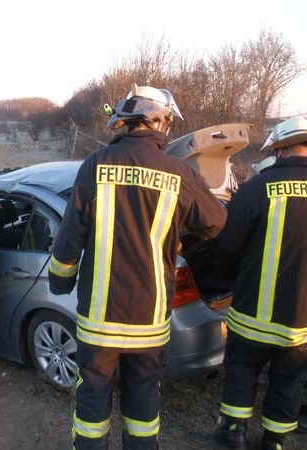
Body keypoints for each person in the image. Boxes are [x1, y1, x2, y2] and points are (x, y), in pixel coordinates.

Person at [48, 84, 227, 449]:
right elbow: (216, 223)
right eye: (168, 123)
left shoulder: (95, 165)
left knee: (93, 393)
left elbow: (70, 237)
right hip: (149, 317)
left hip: (100, 318)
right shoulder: (179, 172)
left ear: (126, 121)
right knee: (143, 395)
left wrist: (60, 281)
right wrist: (178, 236)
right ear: (157, 121)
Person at [214, 116, 307, 450]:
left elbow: (227, 244)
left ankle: (234, 432)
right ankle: (275, 441)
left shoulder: (258, 187)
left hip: (253, 314)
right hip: (301, 323)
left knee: (242, 369)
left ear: (280, 150)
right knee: (289, 378)